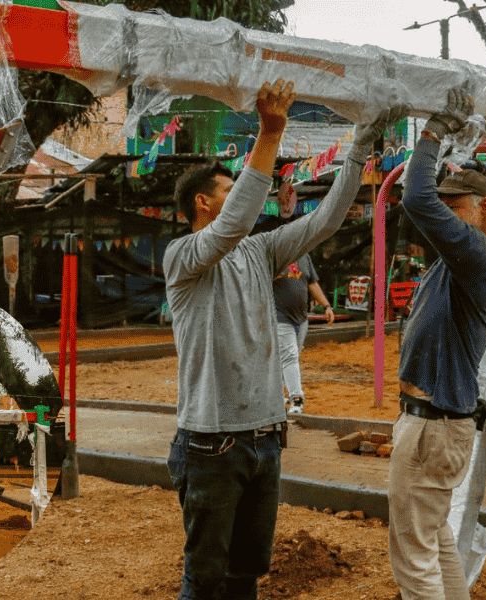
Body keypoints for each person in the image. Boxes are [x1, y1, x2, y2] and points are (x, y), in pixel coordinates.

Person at [163, 78, 406, 600]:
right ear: (204, 204)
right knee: (204, 582)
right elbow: (232, 225)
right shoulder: (183, 258)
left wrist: (361, 145)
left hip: (264, 440)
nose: (245, 202)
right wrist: (270, 133)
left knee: (246, 577)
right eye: (229, 192)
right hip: (212, 446)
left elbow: (327, 219)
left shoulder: (261, 251)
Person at [389, 89, 486, 600]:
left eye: (454, 205)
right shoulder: (458, 261)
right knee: (435, 541)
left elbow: (415, 199)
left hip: (434, 425)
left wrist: (435, 130)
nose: (443, 214)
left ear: (483, 208)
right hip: (437, 423)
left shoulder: (480, 257)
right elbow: (419, 205)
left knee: (414, 557)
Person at [273, 252, 334, 414]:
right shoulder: (276, 253)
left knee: (289, 357)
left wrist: (326, 306)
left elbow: (312, 283)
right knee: (289, 356)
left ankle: (276, 395)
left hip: (301, 318)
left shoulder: (304, 257)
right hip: (279, 316)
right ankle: (297, 399)